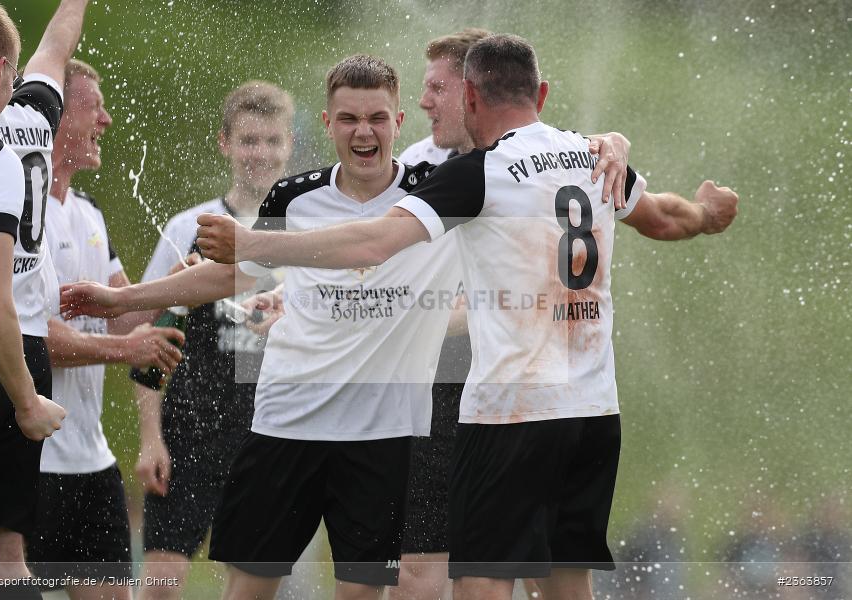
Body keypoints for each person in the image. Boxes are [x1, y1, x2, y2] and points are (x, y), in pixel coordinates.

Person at [188, 34, 739, 600]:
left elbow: (374, 242)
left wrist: (255, 245)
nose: (431, 105)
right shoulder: (591, 155)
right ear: (541, 93)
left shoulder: (481, 172)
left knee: (480, 582)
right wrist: (706, 213)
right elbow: (664, 219)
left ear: (471, 99)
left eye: (439, 92)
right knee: (566, 583)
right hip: (594, 410)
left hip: (512, 411)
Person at [25, 59, 185, 600]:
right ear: (58, 115)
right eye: (95, 107)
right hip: (32, 460)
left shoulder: (89, 213)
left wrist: (184, 284)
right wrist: (125, 349)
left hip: (93, 465)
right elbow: (33, 338)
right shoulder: (21, 212)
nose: (108, 121)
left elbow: (126, 313)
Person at [135, 80, 294, 600]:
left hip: (269, 435)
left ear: (289, 144)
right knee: (161, 583)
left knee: (252, 586)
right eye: (249, 141)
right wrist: (150, 438)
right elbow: (152, 343)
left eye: (272, 141)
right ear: (225, 143)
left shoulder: (305, 232)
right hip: (190, 431)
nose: (261, 154)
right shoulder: (190, 227)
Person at [0, 3, 90, 600]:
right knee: (6, 550)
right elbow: (57, 48)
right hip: (17, 345)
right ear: (2, 69)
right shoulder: (29, 117)